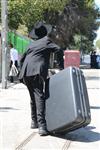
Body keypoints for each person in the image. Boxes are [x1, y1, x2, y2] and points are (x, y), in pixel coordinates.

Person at [18, 22, 62, 136]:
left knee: (33, 97)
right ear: (45, 33)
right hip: (36, 71)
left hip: (26, 73)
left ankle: (34, 121)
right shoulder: (46, 41)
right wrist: (60, 65)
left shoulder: (30, 44)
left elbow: (21, 59)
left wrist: (22, 71)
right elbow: (59, 49)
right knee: (39, 96)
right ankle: (42, 126)